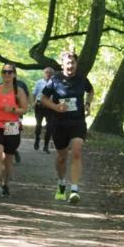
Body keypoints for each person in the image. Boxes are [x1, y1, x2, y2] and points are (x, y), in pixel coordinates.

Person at [40, 51, 93, 204]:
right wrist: (55, 107)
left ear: (76, 64)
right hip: (59, 123)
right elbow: (43, 98)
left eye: (73, 63)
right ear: (63, 64)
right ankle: (62, 183)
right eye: (67, 63)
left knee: (76, 152)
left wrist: (88, 104)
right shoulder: (54, 80)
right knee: (62, 157)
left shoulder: (82, 79)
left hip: (77, 121)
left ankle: (74, 189)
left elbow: (90, 91)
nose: (70, 66)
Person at [0, 64, 28, 197]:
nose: (7, 74)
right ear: (1, 74)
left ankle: (6, 184)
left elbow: (24, 108)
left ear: (14, 75)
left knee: (8, 160)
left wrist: (13, 110)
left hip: (12, 127)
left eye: (10, 72)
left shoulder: (18, 91)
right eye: (4, 72)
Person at [32, 66, 56, 153]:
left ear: (53, 74)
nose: (48, 74)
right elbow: (34, 93)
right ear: (43, 73)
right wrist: (33, 102)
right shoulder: (39, 82)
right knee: (38, 125)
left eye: (50, 73)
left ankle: (46, 146)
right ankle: (37, 138)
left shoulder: (55, 83)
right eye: (47, 72)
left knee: (50, 126)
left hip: (50, 107)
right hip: (39, 106)